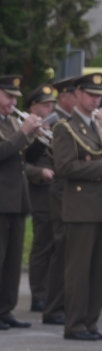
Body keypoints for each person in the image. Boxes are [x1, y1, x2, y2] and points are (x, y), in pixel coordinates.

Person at [51, 73, 102, 341]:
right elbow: (64, 167)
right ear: (78, 94)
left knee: (99, 270)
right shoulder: (64, 128)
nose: (96, 100)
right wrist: (101, 165)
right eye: (91, 94)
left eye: (99, 95)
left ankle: (91, 322)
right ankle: (75, 324)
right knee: (79, 271)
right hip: (81, 208)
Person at [41, 77, 79, 326]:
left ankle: (62, 305)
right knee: (62, 250)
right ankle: (53, 307)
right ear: (66, 96)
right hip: (61, 192)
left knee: (69, 252)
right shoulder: (56, 123)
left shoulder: (74, 122)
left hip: (73, 193)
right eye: (77, 93)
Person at [0, 74, 36, 329]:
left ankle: (5, 309)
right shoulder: (14, 125)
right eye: (8, 96)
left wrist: (33, 135)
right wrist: (24, 132)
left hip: (17, 200)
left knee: (12, 261)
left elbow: (22, 157)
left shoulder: (11, 121)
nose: (13, 102)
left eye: (15, 97)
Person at [22, 83, 58, 314]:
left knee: (55, 245)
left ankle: (50, 292)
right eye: (45, 105)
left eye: (51, 105)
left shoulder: (54, 127)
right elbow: (18, 162)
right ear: (33, 107)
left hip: (58, 192)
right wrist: (39, 173)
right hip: (40, 191)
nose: (50, 109)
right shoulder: (22, 127)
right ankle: (38, 295)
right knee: (42, 245)